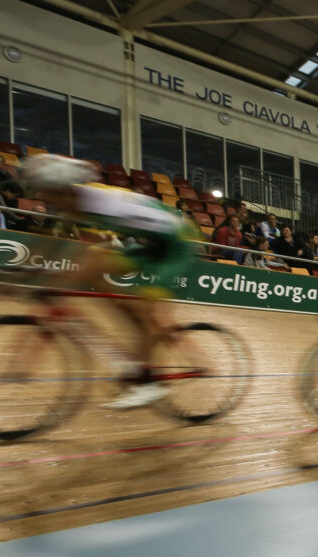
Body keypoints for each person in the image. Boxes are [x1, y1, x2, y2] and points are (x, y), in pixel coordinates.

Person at [20, 154, 194, 409]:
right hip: (154, 243)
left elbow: (79, 249)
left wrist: (56, 284)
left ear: (64, 189)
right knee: (96, 265)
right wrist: (13, 273)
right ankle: (132, 329)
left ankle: (148, 383)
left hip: (177, 245)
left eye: (48, 192)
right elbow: (48, 243)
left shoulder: (99, 202)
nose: (44, 198)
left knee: (145, 312)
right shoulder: (75, 202)